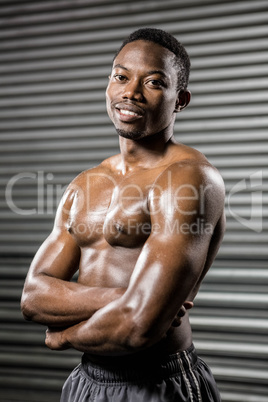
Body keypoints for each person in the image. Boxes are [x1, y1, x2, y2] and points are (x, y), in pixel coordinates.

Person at [21, 28, 225, 402]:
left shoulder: (189, 178)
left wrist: (63, 336)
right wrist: (125, 295)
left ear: (180, 100)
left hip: (159, 383)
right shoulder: (85, 184)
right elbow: (34, 297)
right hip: (86, 379)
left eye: (153, 82)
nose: (130, 92)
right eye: (120, 76)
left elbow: (139, 327)